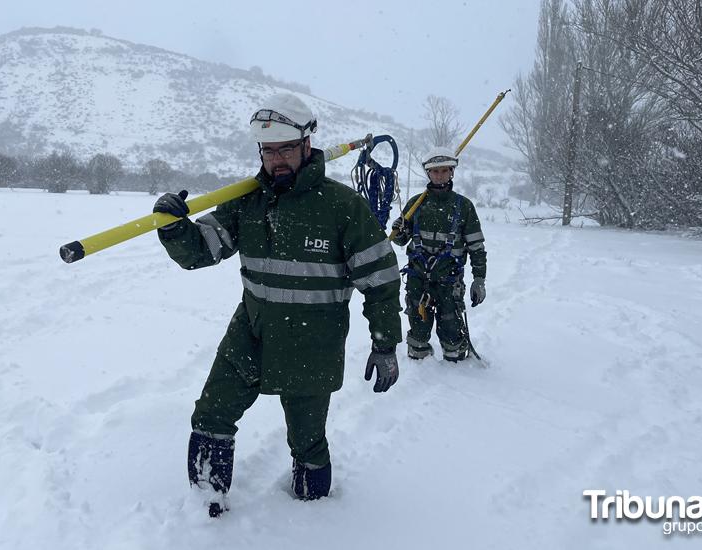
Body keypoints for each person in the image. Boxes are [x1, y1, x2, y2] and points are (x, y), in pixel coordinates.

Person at [152, 93, 402, 517]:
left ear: (307, 144)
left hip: (312, 346)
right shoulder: (248, 202)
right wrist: (174, 227)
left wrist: (385, 343)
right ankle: (205, 509)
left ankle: (313, 518)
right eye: (268, 151)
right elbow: (201, 251)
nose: (277, 160)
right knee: (211, 414)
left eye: (285, 148)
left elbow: (380, 280)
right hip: (251, 332)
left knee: (307, 442)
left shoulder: (341, 207)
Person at [390, 148, 487, 362]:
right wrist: (400, 228)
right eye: (435, 171)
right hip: (418, 278)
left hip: (450, 280)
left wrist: (479, 280)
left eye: (444, 170)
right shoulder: (416, 204)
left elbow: (477, 247)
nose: (440, 175)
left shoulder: (464, 207)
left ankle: (457, 369)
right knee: (418, 327)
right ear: (428, 174)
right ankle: (419, 364)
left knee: (451, 327)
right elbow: (399, 241)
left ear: (452, 172)